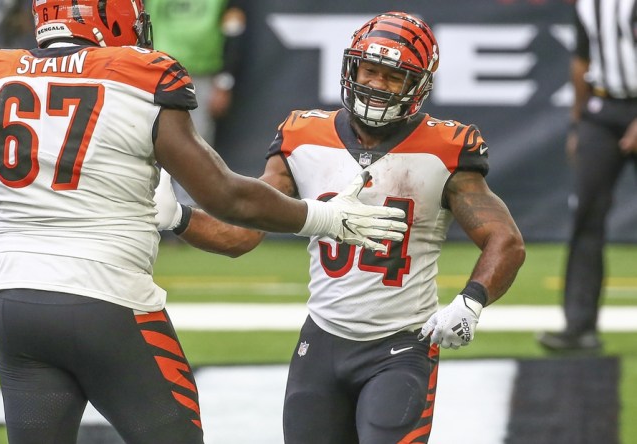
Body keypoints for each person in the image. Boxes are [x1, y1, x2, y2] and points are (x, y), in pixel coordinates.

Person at [0, 1, 407, 443]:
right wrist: (325, 217)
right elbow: (227, 196)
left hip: (15, 303)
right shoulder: (140, 76)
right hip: (109, 299)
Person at [154, 12, 525, 443]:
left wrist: (471, 302)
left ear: (418, 85)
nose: (377, 84)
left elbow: (505, 240)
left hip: (401, 347)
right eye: (370, 70)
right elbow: (241, 234)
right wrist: (178, 218)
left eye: (393, 76)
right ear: (351, 67)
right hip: (322, 341)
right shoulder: (303, 135)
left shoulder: (445, 149)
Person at [537, 0, 637, 352]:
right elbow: (581, 61)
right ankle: (579, 327)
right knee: (586, 218)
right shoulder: (589, 4)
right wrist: (578, 123)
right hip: (603, 108)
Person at [147, 0, 246, 206]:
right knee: (144, 141)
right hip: (153, 71)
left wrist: (224, 82)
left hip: (200, 75)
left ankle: (190, 216)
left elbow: (235, 31)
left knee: (197, 147)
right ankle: (146, 209)